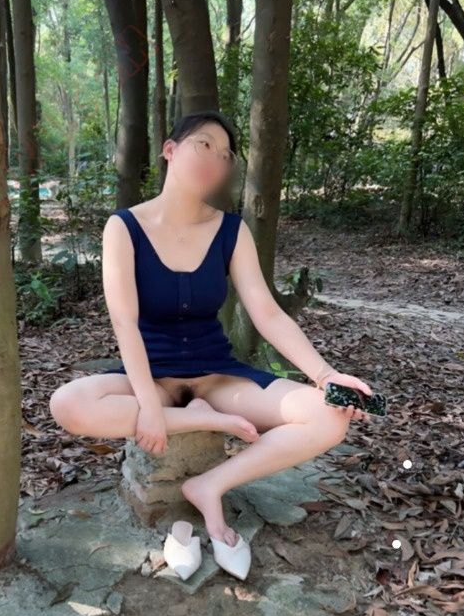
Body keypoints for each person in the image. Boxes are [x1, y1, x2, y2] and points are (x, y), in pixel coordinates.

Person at [49, 109, 372, 551]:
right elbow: (124, 322)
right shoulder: (124, 227)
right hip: (152, 376)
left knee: (329, 416)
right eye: (204, 144)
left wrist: (326, 375)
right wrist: (149, 406)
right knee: (68, 404)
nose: (214, 158)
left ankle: (210, 485)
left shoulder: (231, 231)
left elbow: (267, 313)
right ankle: (198, 418)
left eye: (225, 155)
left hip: (217, 375)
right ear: (170, 149)